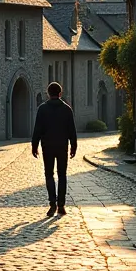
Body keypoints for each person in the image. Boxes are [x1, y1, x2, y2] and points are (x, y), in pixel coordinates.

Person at [31, 81, 77, 217]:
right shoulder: (67, 109)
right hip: (62, 146)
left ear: (48, 93)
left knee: (49, 174)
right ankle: (61, 205)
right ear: (60, 94)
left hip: (48, 146)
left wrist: (34, 145)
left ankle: (52, 204)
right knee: (62, 175)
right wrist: (73, 146)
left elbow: (37, 129)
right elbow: (72, 130)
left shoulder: (42, 109)